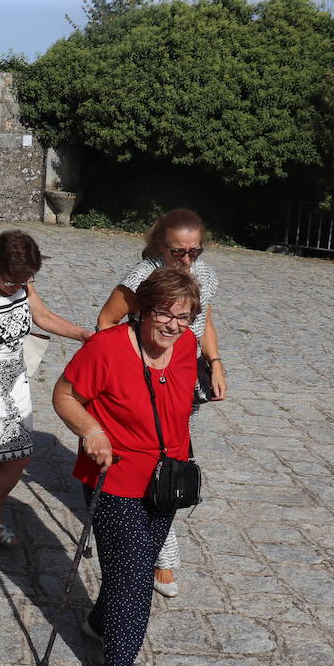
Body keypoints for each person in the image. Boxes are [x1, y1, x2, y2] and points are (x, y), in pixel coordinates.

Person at [53, 268, 201, 666]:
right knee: (136, 577)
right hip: (113, 478)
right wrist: (91, 429)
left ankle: (100, 621)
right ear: (141, 310)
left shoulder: (187, 346)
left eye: (184, 316)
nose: (173, 325)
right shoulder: (107, 347)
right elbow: (64, 395)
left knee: (128, 568)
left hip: (166, 481)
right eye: (163, 313)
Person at [96, 208, 226, 598]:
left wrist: (216, 363)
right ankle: (164, 558)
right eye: (177, 252)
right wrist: (134, 370)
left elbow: (205, 323)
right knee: (164, 464)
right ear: (159, 245)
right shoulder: (141, 278)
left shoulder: (206, 276)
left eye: (193, 251)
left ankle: (155, 548)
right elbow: (105, 322)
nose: (186, 260)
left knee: (173, 462)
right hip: (148, 387)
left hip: (186, 386)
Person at [0, 230, 91, 558]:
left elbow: (42, 316)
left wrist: (83, 335)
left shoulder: (23, 282)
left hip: (13, 388)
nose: (20, 285)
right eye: (12, 279)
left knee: (19, 456)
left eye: (26, 278)